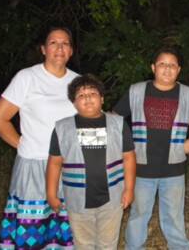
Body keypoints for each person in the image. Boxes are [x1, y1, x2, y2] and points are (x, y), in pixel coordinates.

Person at [113, 46, 189, 250]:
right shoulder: (137, 90)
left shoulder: (187, 94)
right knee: (138, 214)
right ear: (153, 67)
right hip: (141, 168)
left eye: (172, 65)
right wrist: (124, 147)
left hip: (173, 168)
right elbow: (114, 118)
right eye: (162, 64)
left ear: (178, 70)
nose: (167, 69)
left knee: (174, 216)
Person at [0, 27, 78, 249]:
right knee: (32, 229)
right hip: (34, 165)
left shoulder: (79, 82)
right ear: (43, 49)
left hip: (69, 167)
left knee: (64, 230)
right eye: (53, 43)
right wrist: (23, 145)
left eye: (65, 43)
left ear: (71, 51)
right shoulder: (27, 77)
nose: (59, 48)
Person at [46, 74, 136, 249]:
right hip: (77, 202)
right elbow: (54, 163)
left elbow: (129, 157)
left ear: (102, 98)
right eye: (81, 95)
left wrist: (129, 189)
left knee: (108, 244)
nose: (87, 98)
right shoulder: (62, 128)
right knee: (83, 244)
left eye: (92, 93)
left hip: (112, 200)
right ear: (73, 102)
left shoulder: (118, 124)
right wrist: (51, 194)